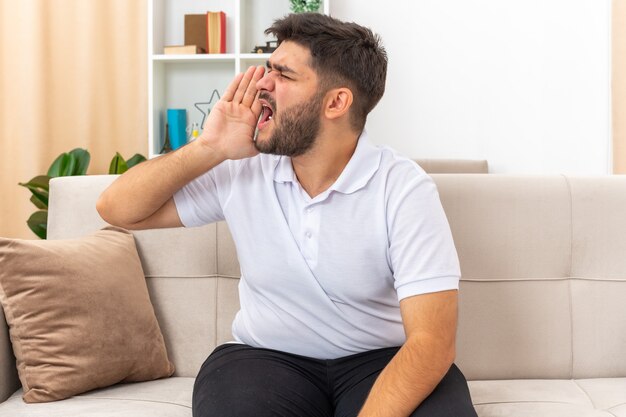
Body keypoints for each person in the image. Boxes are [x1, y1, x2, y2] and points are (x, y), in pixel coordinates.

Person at [97, 12, 477, 417]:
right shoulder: (242, 166)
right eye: (267, 70)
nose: (262, 83)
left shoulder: (402, 188)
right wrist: (209, 148)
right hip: (263, 360)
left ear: (336, 102)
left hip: (381, 360)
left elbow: (431, 342)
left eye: (283, 74)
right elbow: (116, 209)